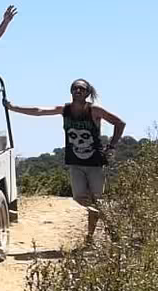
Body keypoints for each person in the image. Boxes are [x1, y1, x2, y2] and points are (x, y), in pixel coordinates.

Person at [9, 82, 125, 238]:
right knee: (80, 198)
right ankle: (111, 224)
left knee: (96, 200)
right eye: (75, 88)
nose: (78, 90)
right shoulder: (65, 110)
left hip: (96, 162)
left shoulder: (94, 110)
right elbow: (39, 111)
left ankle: (90, 237)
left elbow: (119, 123)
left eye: (82, 89)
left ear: (87, 93)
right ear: (71, 91)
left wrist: (112, 146)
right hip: (75, 162)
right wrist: (13, 108)